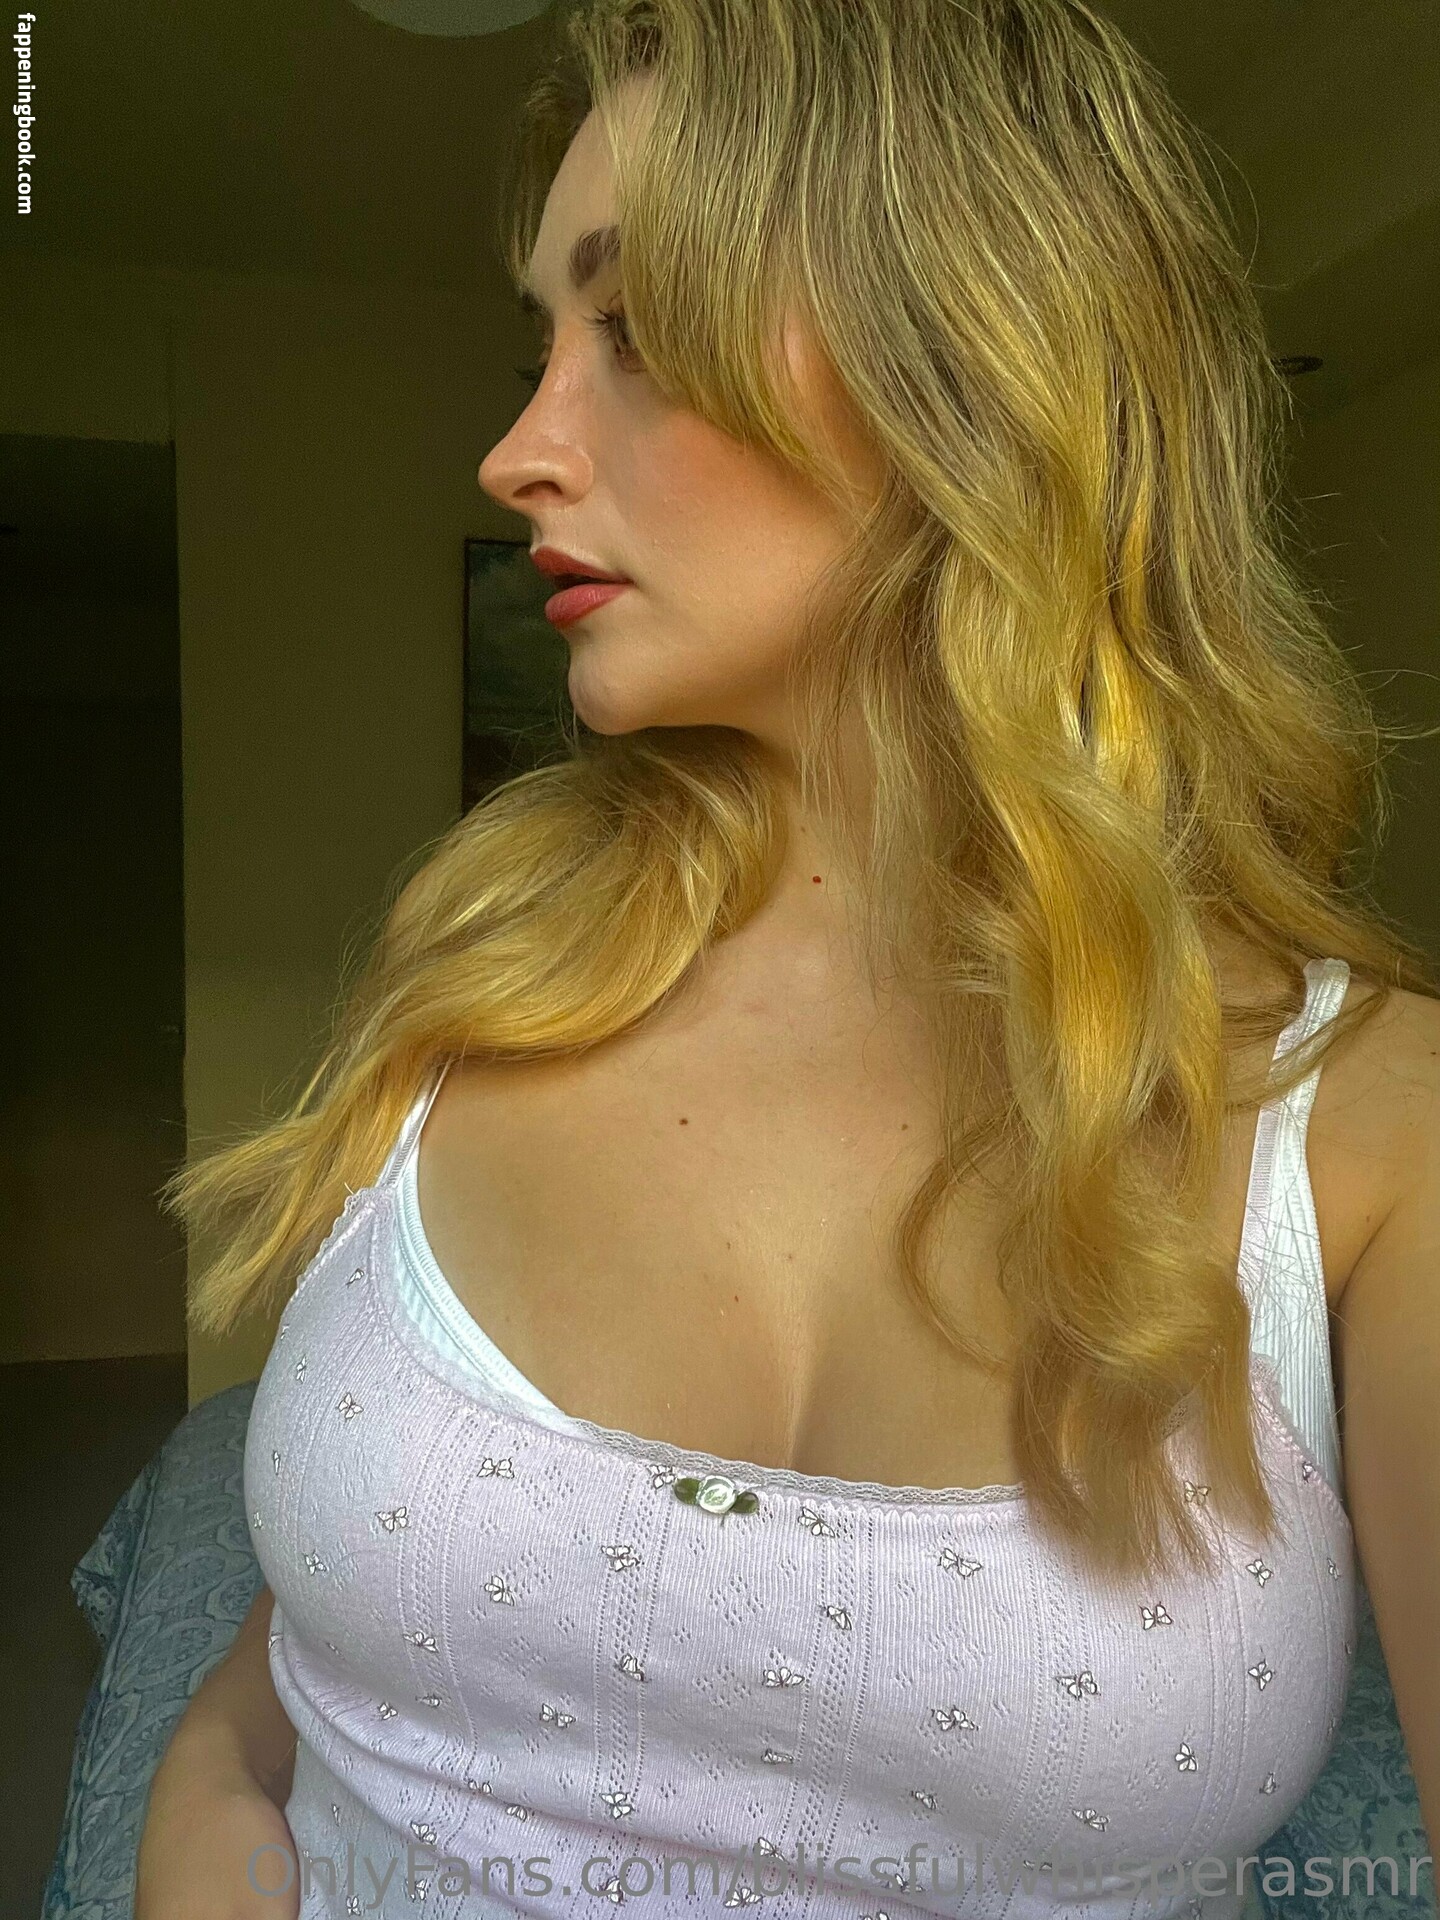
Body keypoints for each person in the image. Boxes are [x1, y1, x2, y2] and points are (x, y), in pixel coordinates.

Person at [136, 0, 1440, 1914]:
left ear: (976, 358)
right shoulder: (484, 987)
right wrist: (205, 1788)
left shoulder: (1373, 1134)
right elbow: (339, 1630)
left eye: (638, 329)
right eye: (537, 349)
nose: (514, 453)